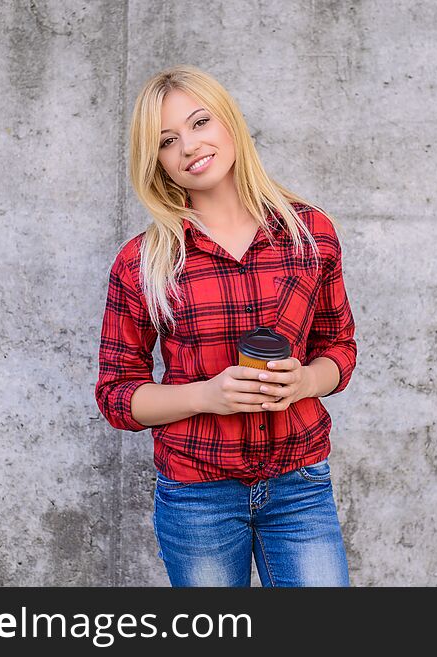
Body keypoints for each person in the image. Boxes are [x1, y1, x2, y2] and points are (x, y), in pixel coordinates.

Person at [95, 65, 357, 587]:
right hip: (198, 497)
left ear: (229, 124)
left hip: (299, 485)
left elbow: (340, 348)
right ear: (158, 163)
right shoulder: (143, 262)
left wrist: (305, 380)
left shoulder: (310, 235)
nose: (189, 146)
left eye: (199, 123)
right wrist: (207, 396)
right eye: (167, 141)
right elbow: (117, 396)